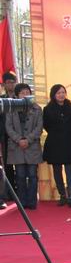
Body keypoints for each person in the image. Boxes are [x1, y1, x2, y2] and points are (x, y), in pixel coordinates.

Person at [43, 84, 71, 208]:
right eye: (58, 93)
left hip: (70, 143)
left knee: (70, 171)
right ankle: (62, 195)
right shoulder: (47, 109)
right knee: (57, 171)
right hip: (55, 143)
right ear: (53, 95)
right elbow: (46, 125)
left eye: (63, 92)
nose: (61, 95)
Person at [5, 83, 43, 209]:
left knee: (32, 175)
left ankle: (32, 202)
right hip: (16, 146)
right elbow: (8, 127)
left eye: (27, 92)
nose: (25, 95)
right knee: (20, 175)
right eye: (22, 93)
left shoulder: (37, 108)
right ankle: (21, 202)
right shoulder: (11, 108)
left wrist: (28, 139)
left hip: (32, 146)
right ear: (17, 95)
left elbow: (39, 127)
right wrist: (18, 139)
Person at [1, 72, 17, 200]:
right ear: (4, 85)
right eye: (8, 82)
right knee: (7, 165)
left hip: (19, 136)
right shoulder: (1, 99)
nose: (11, 85)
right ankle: (9, 192)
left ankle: (21, 191)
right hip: (5, 136)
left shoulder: (20, 98)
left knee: (20, 165)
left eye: (13, 82)